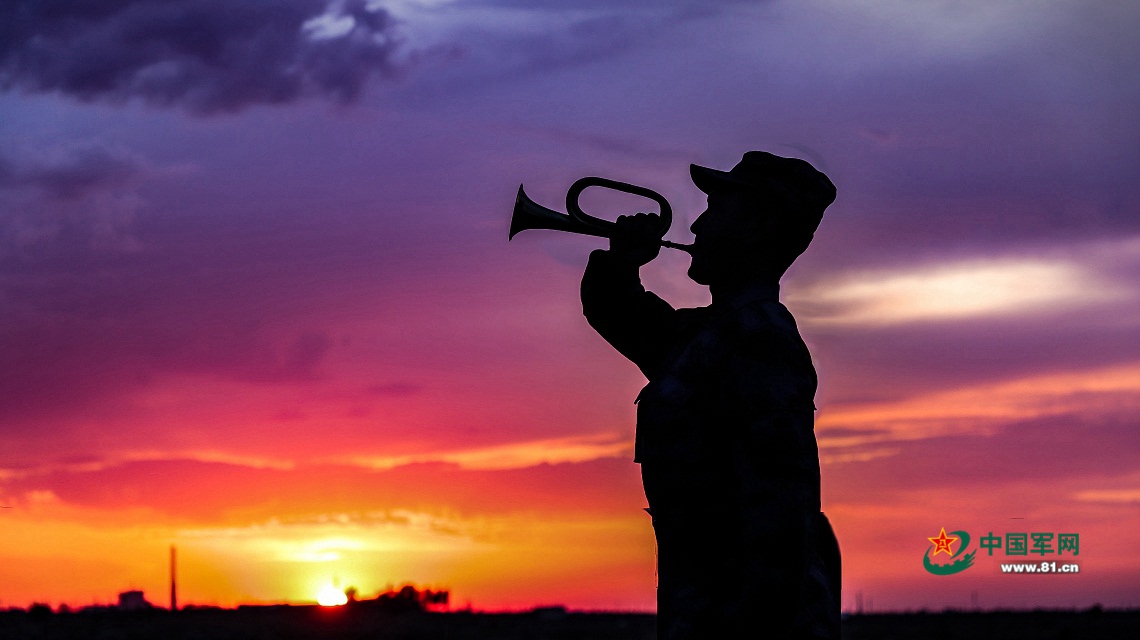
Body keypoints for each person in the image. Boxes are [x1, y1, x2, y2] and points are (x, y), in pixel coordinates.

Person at [581, 151, 841, 639]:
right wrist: (621, 262)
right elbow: (622, 315)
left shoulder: (760, 343)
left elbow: (782, 519)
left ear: (759, 227)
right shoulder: (709, 336)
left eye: (715, 210)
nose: (696, 225)